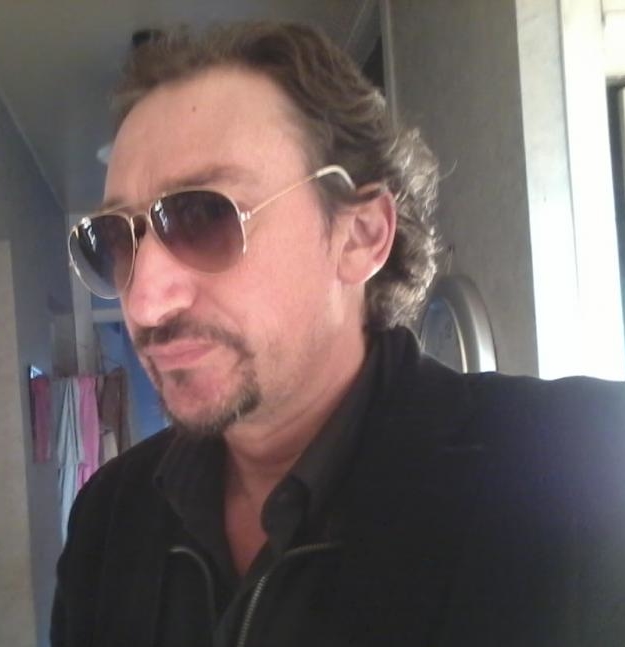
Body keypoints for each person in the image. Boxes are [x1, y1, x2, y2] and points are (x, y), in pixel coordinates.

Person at [53, 21, 625, 647]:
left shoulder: (587, 472)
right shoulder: (108, 518)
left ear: (361, 236)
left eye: (203, 215)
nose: (146, 300)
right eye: (115, 240)